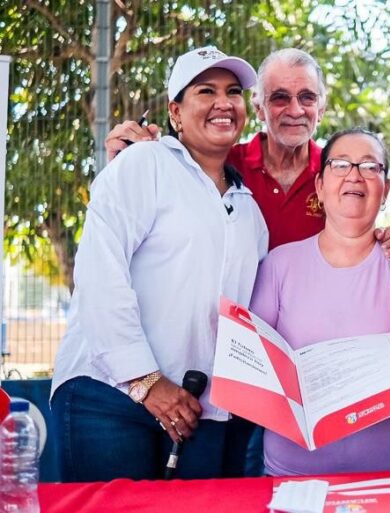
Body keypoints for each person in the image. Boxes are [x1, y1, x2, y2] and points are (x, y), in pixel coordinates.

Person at [50, 47, 269, 482]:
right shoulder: (144, 163)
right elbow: (100, 275)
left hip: (197, 412)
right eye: (205, 91)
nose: (223, 102)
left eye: (233, 92)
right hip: (108, 396)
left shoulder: (249, 211)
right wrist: (146, 381)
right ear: (175, 112)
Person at [250, 128, 390, 475]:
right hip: (295, 473)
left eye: (370, 167)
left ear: (386, 188)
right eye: (341, 164)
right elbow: (255, 366)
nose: (355, 176)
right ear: (319, 184)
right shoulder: (278, 264)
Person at [105, 48, 390, 254]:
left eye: (307, 98)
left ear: (320, 110)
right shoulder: (222, 167)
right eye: (280, 98)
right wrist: (128, 156)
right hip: (233, 333)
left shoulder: (339, 175)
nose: (295, 110)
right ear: (259, 108)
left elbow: (363, 238)